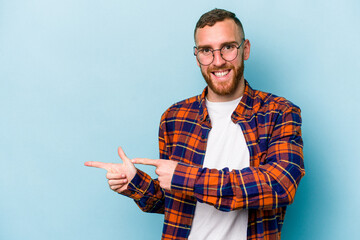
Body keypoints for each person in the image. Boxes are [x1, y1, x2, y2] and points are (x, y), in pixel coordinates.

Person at [85, 8, 305, 240]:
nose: (218, 61)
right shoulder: (174, 118)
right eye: (206, 51)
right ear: (197, 56)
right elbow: (175, 204)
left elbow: (280, 185)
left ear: (245, 49)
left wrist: (184, 177)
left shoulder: (278, 112)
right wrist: (134, 183)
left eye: (228, 47)